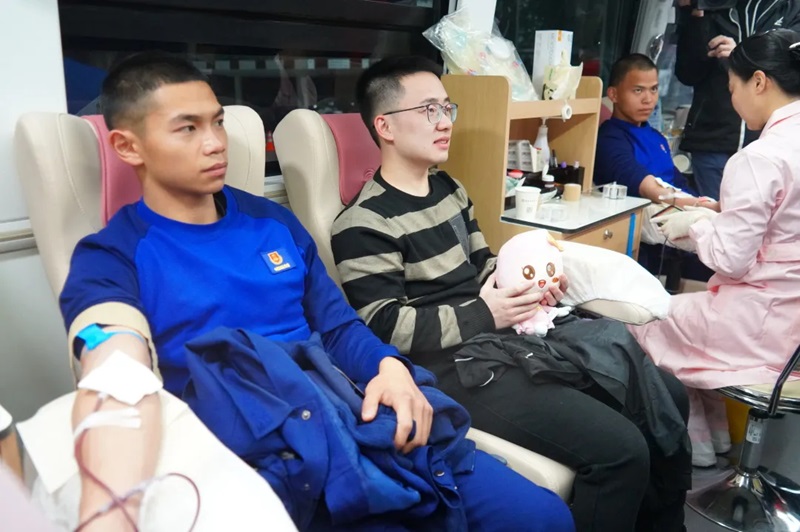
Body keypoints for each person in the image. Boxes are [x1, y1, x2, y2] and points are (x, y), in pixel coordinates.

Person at [58, 52, 574, 532]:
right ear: (128, 146)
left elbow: (339, 326)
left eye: (217, 122)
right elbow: (114, 369)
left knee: (542, 516)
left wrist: (388, 368)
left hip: (344, 407)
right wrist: (108, 508)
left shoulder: (272, 222)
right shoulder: (110, 257)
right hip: (255, 444)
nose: (215, 143)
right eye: (187, 128)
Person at [331, 56, 692, 532]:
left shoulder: (449, 189)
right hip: (452, 368)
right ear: (386, 126)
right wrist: (487, 312)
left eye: (447, 108)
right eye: (428, 110)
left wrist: (531, 284)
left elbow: (484, 264)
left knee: (666, 394)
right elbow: (385, 329)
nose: (445, 122)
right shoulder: (363, 224)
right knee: (621, 451)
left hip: (505, 340)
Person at [632, 29, 800, 467]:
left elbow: (730, 259)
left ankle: (693, 447)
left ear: (759, 81)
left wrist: (699, 225)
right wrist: (723, 213)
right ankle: (714, 442)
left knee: (644, 318)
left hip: (761, 329)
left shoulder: (760, 158)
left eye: (732, 88)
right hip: (792, 327)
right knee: (684, 326)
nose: (733, 101)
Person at [595, 53, 716, 282]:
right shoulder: (610, 138)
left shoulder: (657, 138)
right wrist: (702, 206)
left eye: (653, 89)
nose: (648, 99)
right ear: (613, 94)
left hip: (674, 220)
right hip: (642, 234)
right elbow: (647, 187)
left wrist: (705, 203)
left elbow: (677, 182)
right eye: (638, 90)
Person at [674, 0, 800, 200]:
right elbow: (687, 73)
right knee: (718, 213)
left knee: (770, 213)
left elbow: (790, 69)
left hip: (771, 141)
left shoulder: (790, 9)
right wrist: (696, 16)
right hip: (713, 136)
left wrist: (739, 57)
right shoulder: (712, 6)